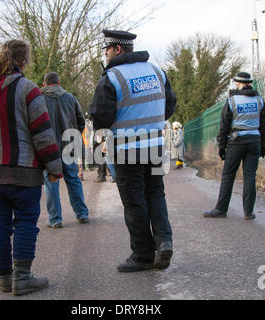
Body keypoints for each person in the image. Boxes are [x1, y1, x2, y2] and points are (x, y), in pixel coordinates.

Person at [0, 40, 63, 296]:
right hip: (25, 173)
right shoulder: (29, 90)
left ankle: (4, 278)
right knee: (26, 222)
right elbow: (42, 134)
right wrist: (54, 167)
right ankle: (22, 278)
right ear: (23, 61)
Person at [90, 30, 176, 272]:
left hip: (126, 148)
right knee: (156, 194)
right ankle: (164, 240)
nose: (105, 54)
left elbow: (101, 117)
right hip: (155, 145)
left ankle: (143, 255)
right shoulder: (157, 71)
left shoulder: (113, 76)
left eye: (106, 49)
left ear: (117, 49)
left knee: (134, 200)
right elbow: (169, 105)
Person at [204, 72, 265, 220]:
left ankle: (221, 209)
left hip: (236, 141)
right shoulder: (259, 100)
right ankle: (248, 212)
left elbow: (224, 126)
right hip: (255, 141)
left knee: (228, 175)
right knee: (250, 176)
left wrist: (221, 147)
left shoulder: (232, 101)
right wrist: (263, 145)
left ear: (238, 83)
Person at [41, 72, 89, 228]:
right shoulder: (71, 98)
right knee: (73, 179)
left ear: (44, 84)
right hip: (70, 143)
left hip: (48, 147)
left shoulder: (38, 98)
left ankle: (55, 219)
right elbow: (81, 122)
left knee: (51, 181)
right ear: (59, 82)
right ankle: (82, 213)